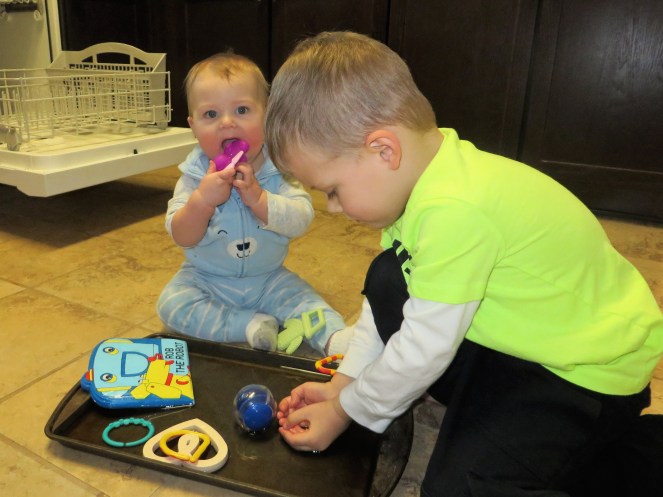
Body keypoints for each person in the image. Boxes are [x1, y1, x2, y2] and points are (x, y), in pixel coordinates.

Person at [264, 31, 663, 496]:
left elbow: (424, 348)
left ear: (383, 150)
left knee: (462, 488)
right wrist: (346, 384)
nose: (333, 208)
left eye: (332, 190)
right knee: (390, 276)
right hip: (529, 339)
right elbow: (392, 296)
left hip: (586, 374)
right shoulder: (430, 176)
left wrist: (344, 411)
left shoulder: (456, 211)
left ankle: (634, 454)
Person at [157, 52, 352, 357]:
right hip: (206, 279)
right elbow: (181, 235)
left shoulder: (279, 170)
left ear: (267, 115)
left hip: (269, 277)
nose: (227, 122)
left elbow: (301, 218)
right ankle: (249, 324)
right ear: (193, 126)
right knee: (172, 304)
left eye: (242, 109)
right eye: (211, 114)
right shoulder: (194, 177)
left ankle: (336, 339)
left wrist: (260, 199)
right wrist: (202, 201)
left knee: (305, 302)